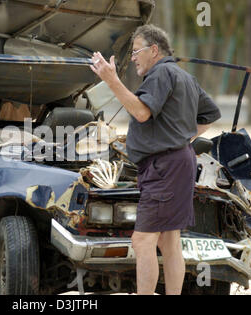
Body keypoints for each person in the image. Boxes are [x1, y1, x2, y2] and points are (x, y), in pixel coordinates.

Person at [90, 24, 221, 295]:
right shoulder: (183, 76)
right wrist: (181, 139)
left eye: (137, 51)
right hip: (178, 162)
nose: (134, 57)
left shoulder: (160, 73)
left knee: (142, 240)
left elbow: (141, 113)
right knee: (169, 242)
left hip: (164, 167)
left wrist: (112, 81)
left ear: (154, 50)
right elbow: (209, 115)